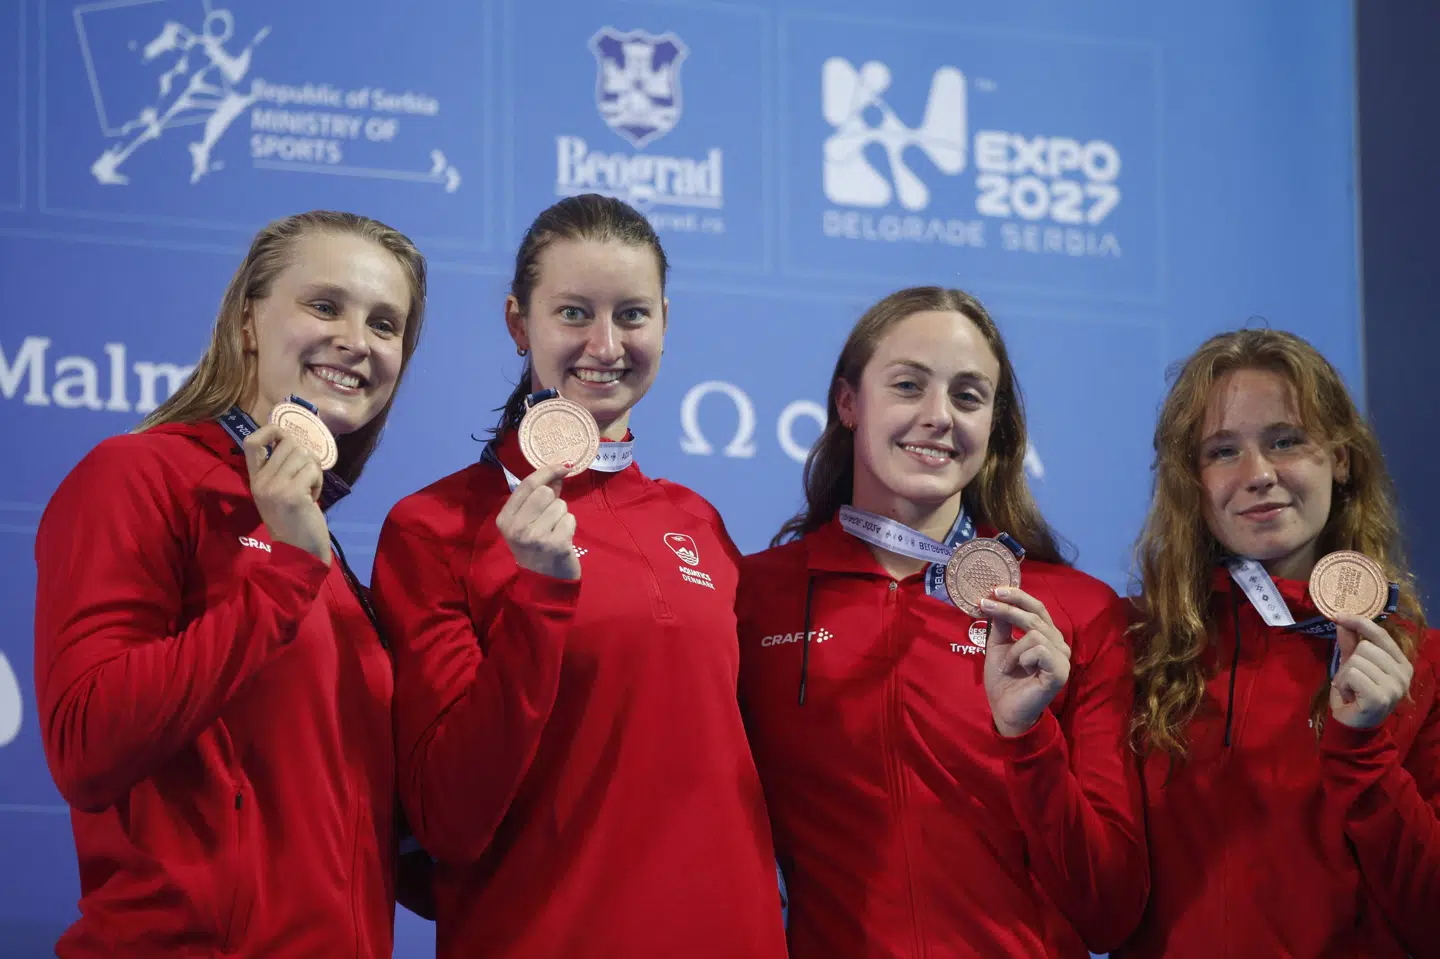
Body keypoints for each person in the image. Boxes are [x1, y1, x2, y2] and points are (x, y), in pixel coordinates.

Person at [370, 194, 788, 958]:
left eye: (632, 314)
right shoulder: (434, 528)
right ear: (517, 323)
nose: (605, 343)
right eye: (572, 313)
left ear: (664, 320)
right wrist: (537, 599)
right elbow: (450, 819)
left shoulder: (701, 523)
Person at [33, 210, 429, 957]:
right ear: (248, 321)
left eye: (385, 323)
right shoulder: (138, 476)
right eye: (324, 305)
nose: (356, 338)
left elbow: (396, 854)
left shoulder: (322, 547)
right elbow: (84, 744)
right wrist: (287, 577)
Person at [735, 286, 1148, 957]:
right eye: (907, 385)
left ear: (995, 424)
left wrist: (1029, 739)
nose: (937, 416)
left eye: (967, 394)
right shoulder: (756, 598)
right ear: (848, 403)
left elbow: (1108, 909)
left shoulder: (1074, 611)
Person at [1119, 328, 1440, 957]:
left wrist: (1366, 751)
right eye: (1222, 451)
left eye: (1285, 441)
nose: (1259, 474)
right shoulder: (1134, 647)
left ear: (1340, 458)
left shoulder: (1422, 663)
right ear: (1191, 478)